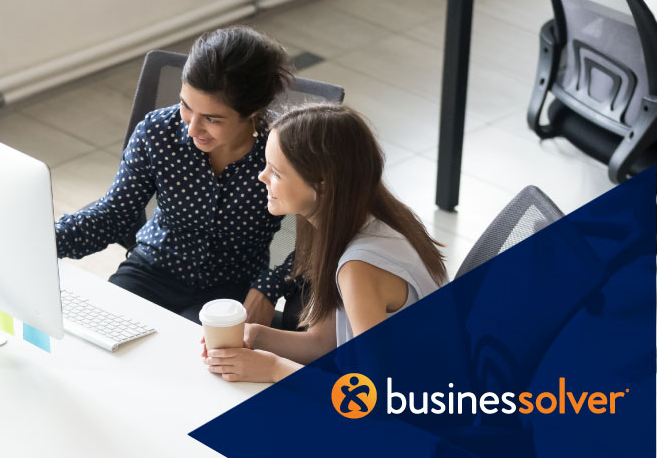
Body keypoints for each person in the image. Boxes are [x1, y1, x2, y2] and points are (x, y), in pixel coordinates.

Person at [54, 26, 294, 323]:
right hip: (152, 269)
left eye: (212, 119)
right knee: (104, 332)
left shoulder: (284, 151)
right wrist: (41, 241)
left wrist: (270, 287)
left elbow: (327, 240)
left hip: (230, 288)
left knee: (194, 358)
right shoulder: (157, 133)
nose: (192, 128)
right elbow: (113, 215)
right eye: (185, 106)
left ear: (253, 111)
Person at [202, 103, 448, 382]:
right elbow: (325, 344)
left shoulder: (359, 268)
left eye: (276, 172)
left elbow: (373, 398)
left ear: (323, 185)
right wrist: (254, 335)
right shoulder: (358, 222)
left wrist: (273, 369)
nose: (262, 177)